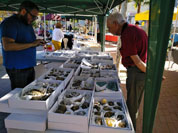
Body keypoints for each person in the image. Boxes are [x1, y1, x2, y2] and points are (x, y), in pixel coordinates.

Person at [107, 12, 148, 130]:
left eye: (109, 27)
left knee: (131, 107)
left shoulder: (127, 34)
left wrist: (153, 75)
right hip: (138, 72)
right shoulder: (135, 29)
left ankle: (130, 129)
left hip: (136, 73)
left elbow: (138, 62)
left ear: (116, 23)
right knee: (133, 105)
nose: (109, 30)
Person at [0, 0, 45, 90]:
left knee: (29, 94)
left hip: (29, 65)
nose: (33, 19)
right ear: (23, 11)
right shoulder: (10, 23)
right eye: (32, 16)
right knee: (20, 96)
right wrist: (32, 44)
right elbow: (8, 46)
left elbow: (26, 41)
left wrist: (36, 42)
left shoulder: (26, 23)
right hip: (18, 68)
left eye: (35, 17)